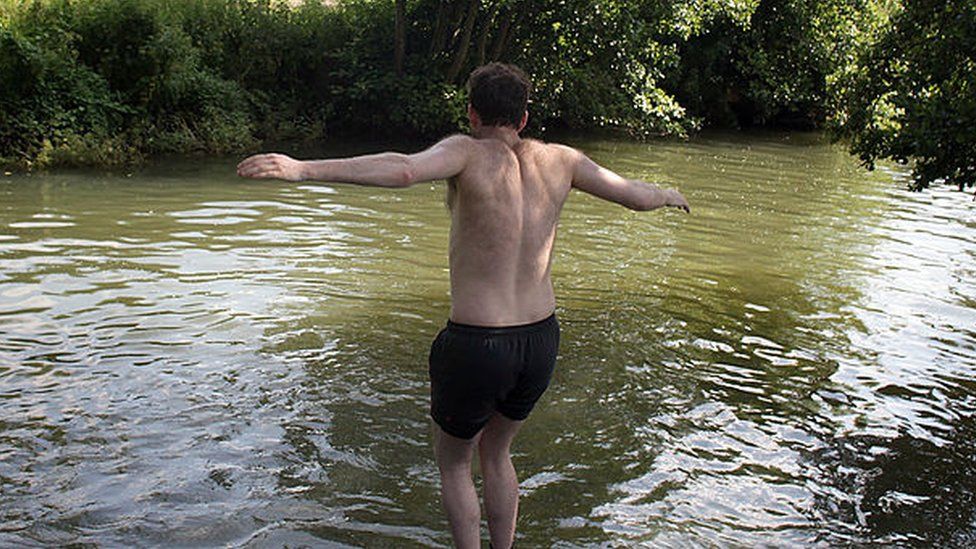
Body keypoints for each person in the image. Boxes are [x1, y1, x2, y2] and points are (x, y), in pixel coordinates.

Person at [237, 62, 689, 548]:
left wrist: (304, 168)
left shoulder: (466, 152)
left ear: (472, 113)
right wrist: (667, 194)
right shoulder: (564, 160)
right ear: (524, 117)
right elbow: (635, 197)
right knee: (497, 454)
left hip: (478, 342)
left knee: (455, 462)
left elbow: (405, 168)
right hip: (539, 340)